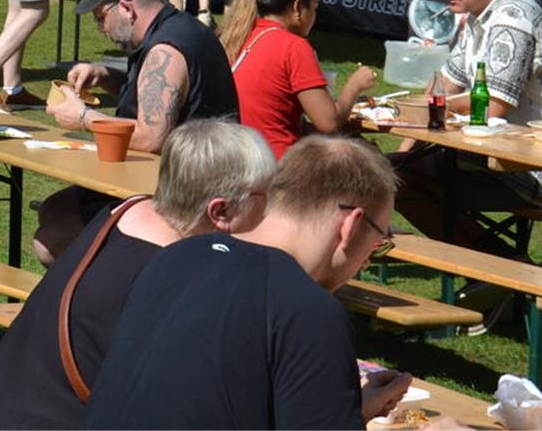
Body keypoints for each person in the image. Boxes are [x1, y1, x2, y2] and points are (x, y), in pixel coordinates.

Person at [0, 120, 277, 430]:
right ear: (220, 211)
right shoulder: (175, 283)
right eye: (268, 197)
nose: (274, 210)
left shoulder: (125, 211)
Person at [84, 136, 412, 430]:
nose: (367, 260)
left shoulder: (173, 257)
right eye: (377, 242)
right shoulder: (308, 310)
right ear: (351, 225)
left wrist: (349, 410)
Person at [38, 0, 239, 264]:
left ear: (126, 7)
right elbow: (168, 103)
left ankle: (109, 303)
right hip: (179, 180)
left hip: (186, 197)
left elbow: (151, 137)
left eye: (100, 17)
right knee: (54, 208)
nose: (100, 28)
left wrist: (82, 117)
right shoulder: (178, 28)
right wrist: (107, 77)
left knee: (50, 242)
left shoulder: (165, 51)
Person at [393, 0, 542, 262]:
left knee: (398, 181)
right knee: (389, 173)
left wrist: (429, 117)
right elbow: (444, 85)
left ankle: (501, 268)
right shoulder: (479, 16)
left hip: (535, 171)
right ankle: (491, 266)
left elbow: (492, 107)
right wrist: (404, 150)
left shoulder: (512, 20)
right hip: (494, 159)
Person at [221, 0, 378, 158]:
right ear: (297, 7)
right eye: (314, 7)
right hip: (278, 166)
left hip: (236, 158)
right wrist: (354, 86)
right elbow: (328, 122)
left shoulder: (239, 35)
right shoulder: (293, 47)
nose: (314, 15)